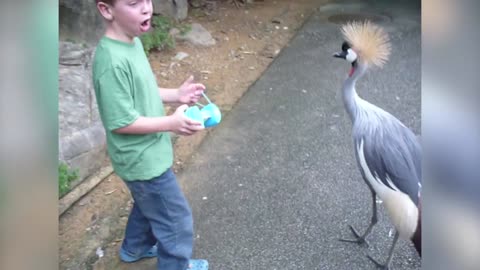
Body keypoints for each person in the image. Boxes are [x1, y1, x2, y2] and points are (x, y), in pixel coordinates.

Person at [92, 0, 208, 269]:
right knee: (176, 222)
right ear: (106, 10)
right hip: (140, 159)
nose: (146, 8)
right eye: (134, 3)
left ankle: (135, 248)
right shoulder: (111, 62)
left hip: (147, 154)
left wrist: (176, 96)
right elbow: (121, 122)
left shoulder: (132, 43)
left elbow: (143, 91)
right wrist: (170, 123)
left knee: (148, 204)